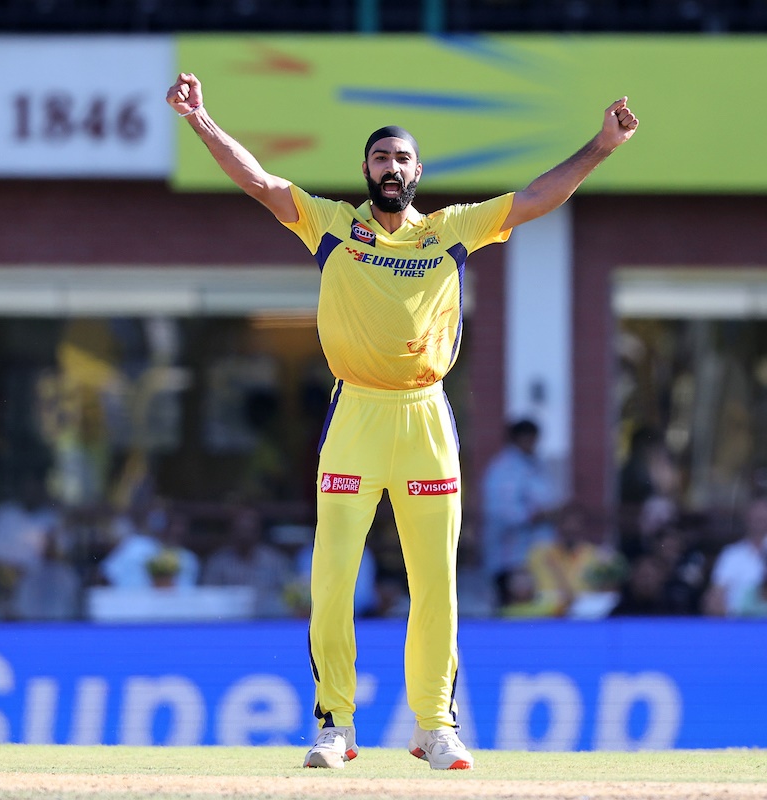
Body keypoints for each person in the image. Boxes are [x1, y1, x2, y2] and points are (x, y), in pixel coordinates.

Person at [166, 72, 638, 770]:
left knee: (434, 581)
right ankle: (335, 724)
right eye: (381, 157)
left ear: (419, 172)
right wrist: (202, 120)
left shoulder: (451, 230)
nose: (392, 167)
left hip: (424, 418)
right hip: (355, 411)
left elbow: (537, 199)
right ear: (367, 170)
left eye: (403, 159)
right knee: (332, 578)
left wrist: (600, 147)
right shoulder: (331, 224)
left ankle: (435, 724)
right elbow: (261, 182)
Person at [480, 419, 560, 606]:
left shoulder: (535, 464)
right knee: (511, 612)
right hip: (510, 557)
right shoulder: (503, 468)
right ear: (517, 439)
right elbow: (502, 512)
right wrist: (536, 515)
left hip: (537, 557)